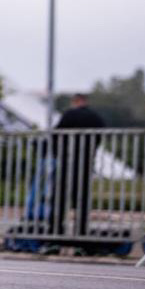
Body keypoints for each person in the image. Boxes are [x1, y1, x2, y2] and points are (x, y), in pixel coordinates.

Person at [49, 93, 106, 237]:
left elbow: (57, 134)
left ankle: (56, 232)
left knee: (59, 199)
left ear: (75, 101)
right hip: (86, 162)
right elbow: (100, 135)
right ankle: (81, 232)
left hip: (67, 162)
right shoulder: (95, 117)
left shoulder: (69, 115)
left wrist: (57, 154)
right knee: (82, 199)